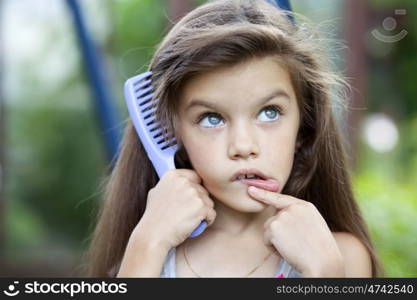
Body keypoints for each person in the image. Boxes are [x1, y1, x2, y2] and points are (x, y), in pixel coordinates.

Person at [84, 0, 382, 277]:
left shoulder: (338, 257)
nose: (243, 147)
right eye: (211, 119)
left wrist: (324, 274)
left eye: (269, 113)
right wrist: (147, 243)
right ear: (172, 135)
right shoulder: (145, 261)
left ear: (303, 130)